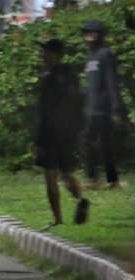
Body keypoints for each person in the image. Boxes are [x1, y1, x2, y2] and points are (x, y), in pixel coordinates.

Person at [33, 39, 90, 229]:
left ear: (55, 54)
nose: (43, 55)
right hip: (68, 132)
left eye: (46, 52)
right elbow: (78, 102)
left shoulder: (49, 76)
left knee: (51, 177)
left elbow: (44, 109)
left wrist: (39, 139)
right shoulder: (70, 74)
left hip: (50, 133)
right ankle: (80, 199)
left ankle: (57, 219)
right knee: (66, 173)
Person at [81, 20, 125, 189]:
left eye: (93, 33)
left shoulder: (105, 54)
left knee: (105, 144)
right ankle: (93, 179)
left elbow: (111, 82)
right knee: (88, 143)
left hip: (103, 108)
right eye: (87, 33)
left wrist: (115, 108)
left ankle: (112, 180)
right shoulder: (90, 55)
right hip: (90, 108)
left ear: (100, 34)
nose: (90, 36)